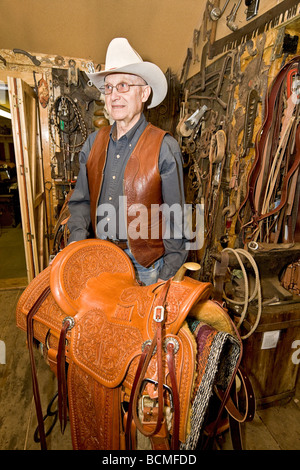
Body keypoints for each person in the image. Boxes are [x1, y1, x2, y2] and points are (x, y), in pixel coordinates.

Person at [67, 38, 188, 285]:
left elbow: (176, 218)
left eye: (123, 85)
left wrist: (168, 275)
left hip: (145, 266)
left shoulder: (165, 147)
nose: (114, 96)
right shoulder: (92, 144)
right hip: (99, 258)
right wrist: (77, 249)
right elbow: (81, 201)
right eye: (109, 88)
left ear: (144, 93)